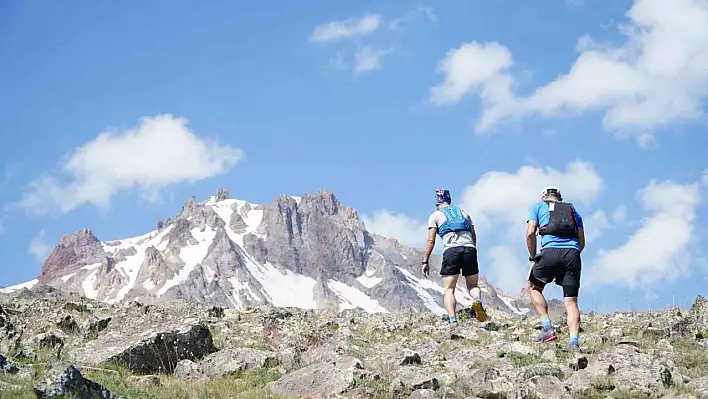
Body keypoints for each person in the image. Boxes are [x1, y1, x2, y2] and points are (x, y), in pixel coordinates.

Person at [525, 186, 585, 351]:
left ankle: (547, 328)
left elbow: (530, 233)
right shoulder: (573, 210)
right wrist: (571, 255)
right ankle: (573, 342)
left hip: (549, 252)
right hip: (572, 254)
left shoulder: (538, 206)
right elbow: (582, 242)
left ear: (544, 197)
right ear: (560, 198)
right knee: (571, 301)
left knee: (533, 287)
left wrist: (533, 256)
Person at [422, 189, 487, 324]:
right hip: (469, 248)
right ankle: (477, 301)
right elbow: (474, 235)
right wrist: (472, 249)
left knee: (449, 289)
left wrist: (425, 260)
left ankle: (453, 320)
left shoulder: (435, 216)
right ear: (449, 200)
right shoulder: (464, 213)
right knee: (473, 285)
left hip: (451, 251)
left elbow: (431, 240)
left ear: (436, 202)